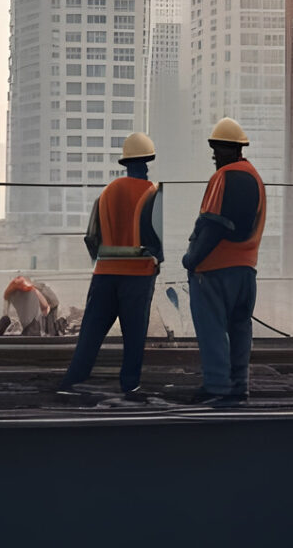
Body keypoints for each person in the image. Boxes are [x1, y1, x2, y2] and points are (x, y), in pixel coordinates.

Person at [56, 132, 163, 399]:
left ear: (126, 163)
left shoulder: (106, 193)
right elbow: (156, 240)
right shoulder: (153, 192)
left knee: (91, 332)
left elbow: (91, 237)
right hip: (137, 276)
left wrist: (105, 259)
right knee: (134, 335)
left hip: (104, 273)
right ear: (146, 163)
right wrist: (155, 261)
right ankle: (130, 386)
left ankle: (72, 381)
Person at [181, 116, 265, 407]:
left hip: (214, 272)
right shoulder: (255, 177)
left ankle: (217, 386)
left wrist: (192, 259)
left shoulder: (223, 177)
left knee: (213, 328)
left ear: (230, 150)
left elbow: (213, 225)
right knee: (240, 328)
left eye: (217, 149)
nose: (215, 156)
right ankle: (239, 386)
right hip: (246, 271)